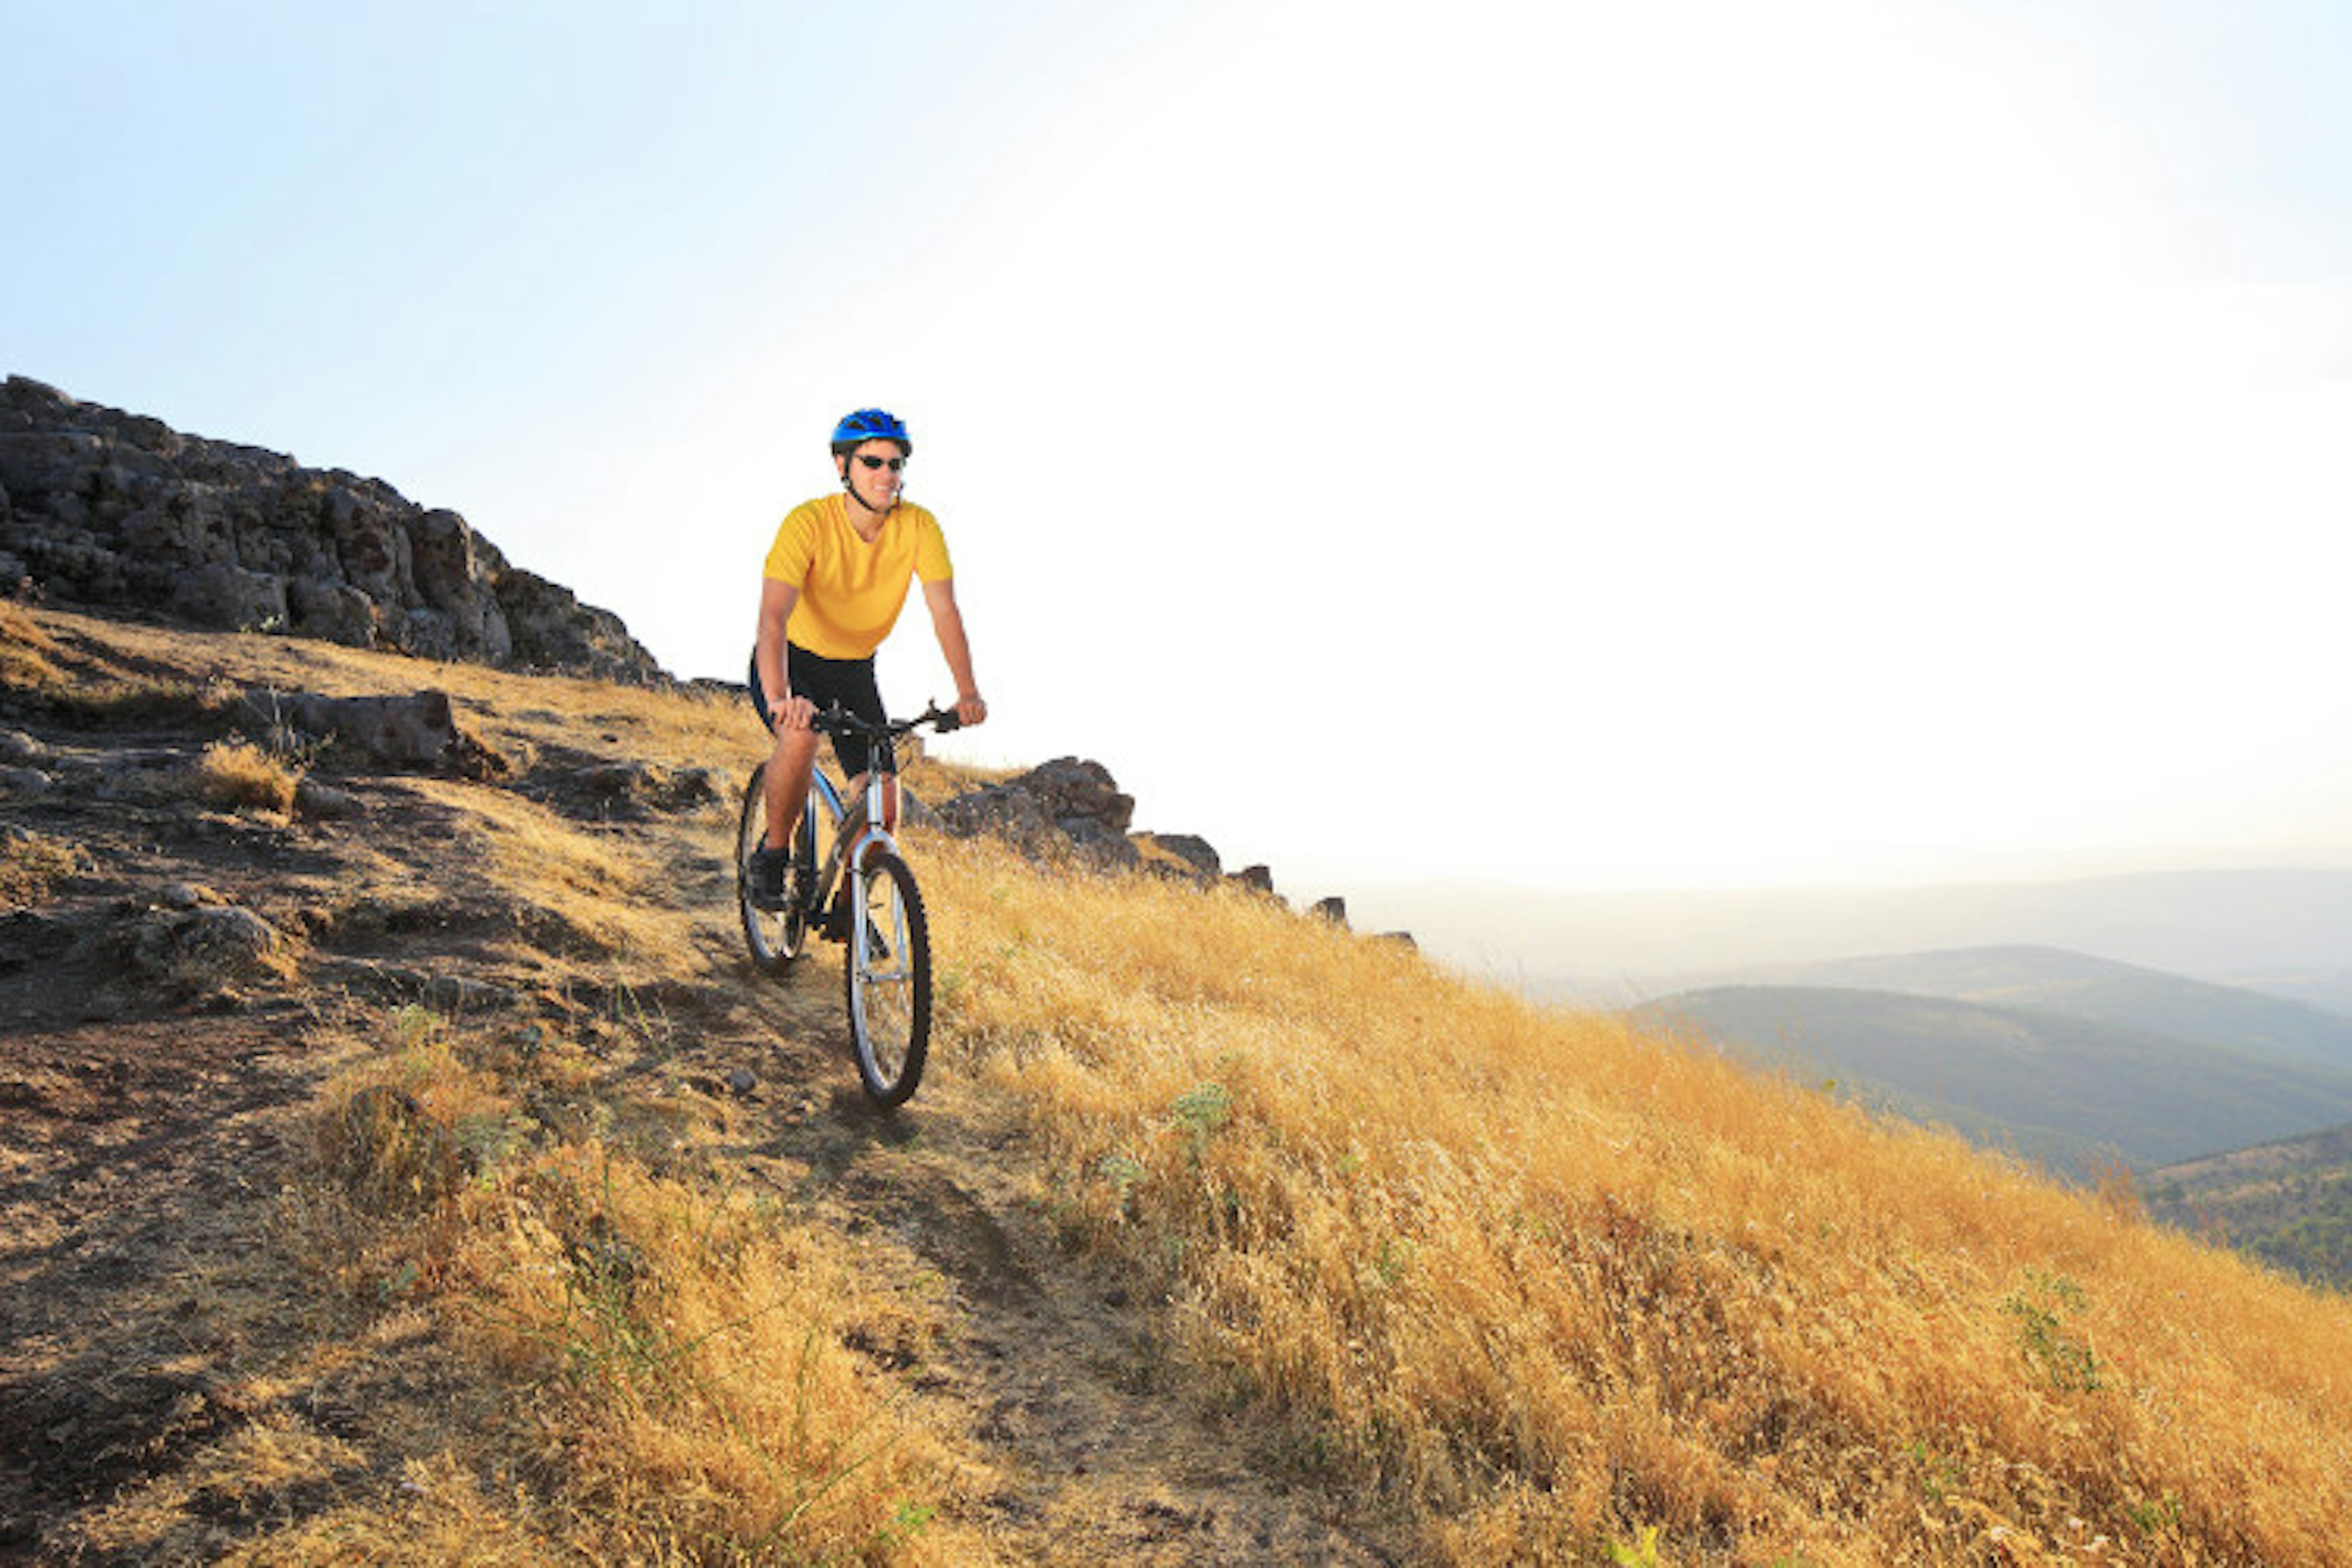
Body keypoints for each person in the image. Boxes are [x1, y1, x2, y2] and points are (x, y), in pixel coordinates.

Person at [747, 408, 987, 907]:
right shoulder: (809, 522)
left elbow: (945, 612)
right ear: (842, 467)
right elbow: (772, 618)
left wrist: (967, 692)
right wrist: (780, 698)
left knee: (884, 805)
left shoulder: (919, 527)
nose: (886, 475)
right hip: (792, 662)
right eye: (872, 462)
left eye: (895, 464)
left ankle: (850, 912)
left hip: (854, 672)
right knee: (800, 736)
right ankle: (772, 856)